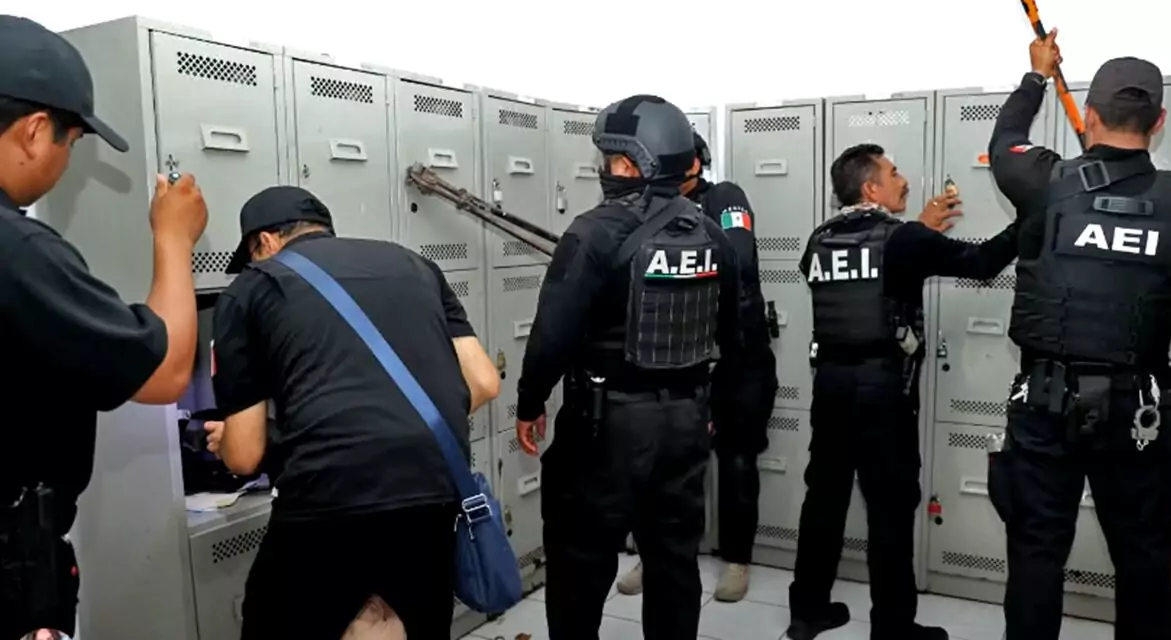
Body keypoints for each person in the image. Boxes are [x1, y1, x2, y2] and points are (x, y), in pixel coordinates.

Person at [986, 30, 1171, 640]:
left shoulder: (1041, 179)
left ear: (1089, 116)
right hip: (1135, 415)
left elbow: (1004, 140)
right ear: (1158, 122)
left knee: (1035, 559)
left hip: (1044, 406)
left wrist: (1037, 75)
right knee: (1142, 565)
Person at [202, 185, 501, 639]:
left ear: (264, 242)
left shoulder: (251, 288)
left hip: (326, 502)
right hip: (429, 491)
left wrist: (229, 441)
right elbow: (483, 382)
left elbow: (244, 457)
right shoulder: (415, 265)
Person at [0, 15, 208, 639]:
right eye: (72, 141)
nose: (67, 160)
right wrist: (174, 239)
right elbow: (166, 373)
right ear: (35, 131)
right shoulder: (19, 252)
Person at [514, 94, 742, 640]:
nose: (606, 167)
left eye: (611, 158)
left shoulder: (593, 232)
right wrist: (710, 407)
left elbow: (552, 335)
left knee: (580, 564)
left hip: (606, 427)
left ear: (630, 163)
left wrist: (529, 402)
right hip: (685, 423)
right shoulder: (713, 235)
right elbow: (735, 334)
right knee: (674, 563)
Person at [785, 143, 1017, 640]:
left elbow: (864, 272)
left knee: (824, 499)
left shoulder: (819, 239)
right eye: (894, 173)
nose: (905, 180)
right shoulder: (903, 239)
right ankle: (893, 628)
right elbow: (982, 262)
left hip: (830, 386)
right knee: (890, 509)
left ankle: (806, 612)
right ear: (872, 188)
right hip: (882, 392)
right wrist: (1031, 222)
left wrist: (919, 234)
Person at [615, 131, 778, 603]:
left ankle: (737, 559)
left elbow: (737, 257)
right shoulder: (647, 209)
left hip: (738, 360)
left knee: (737, 460)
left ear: (692, 163)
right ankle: (654, 554)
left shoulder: (724, 197)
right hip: (677, 359)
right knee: (664, 463)